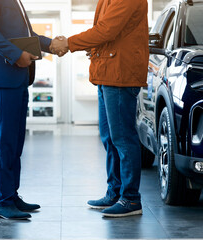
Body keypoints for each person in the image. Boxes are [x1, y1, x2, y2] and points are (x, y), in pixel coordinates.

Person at [50, 0, 149, 217]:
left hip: (120, 75)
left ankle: (131, 199)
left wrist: (69, 43)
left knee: (123, 138)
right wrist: (93, 46)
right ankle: (115, 192)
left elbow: (107, 30)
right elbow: (107, 34)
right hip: (108, 73)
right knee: (109, 138)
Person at [0, 0, 55, 220]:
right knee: (5, 141)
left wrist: (53, 45)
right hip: (3, 75)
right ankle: (2, 201)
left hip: (16, 77)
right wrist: (16, 54)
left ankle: (11, 195)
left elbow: (28, 36)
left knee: (15, 141)